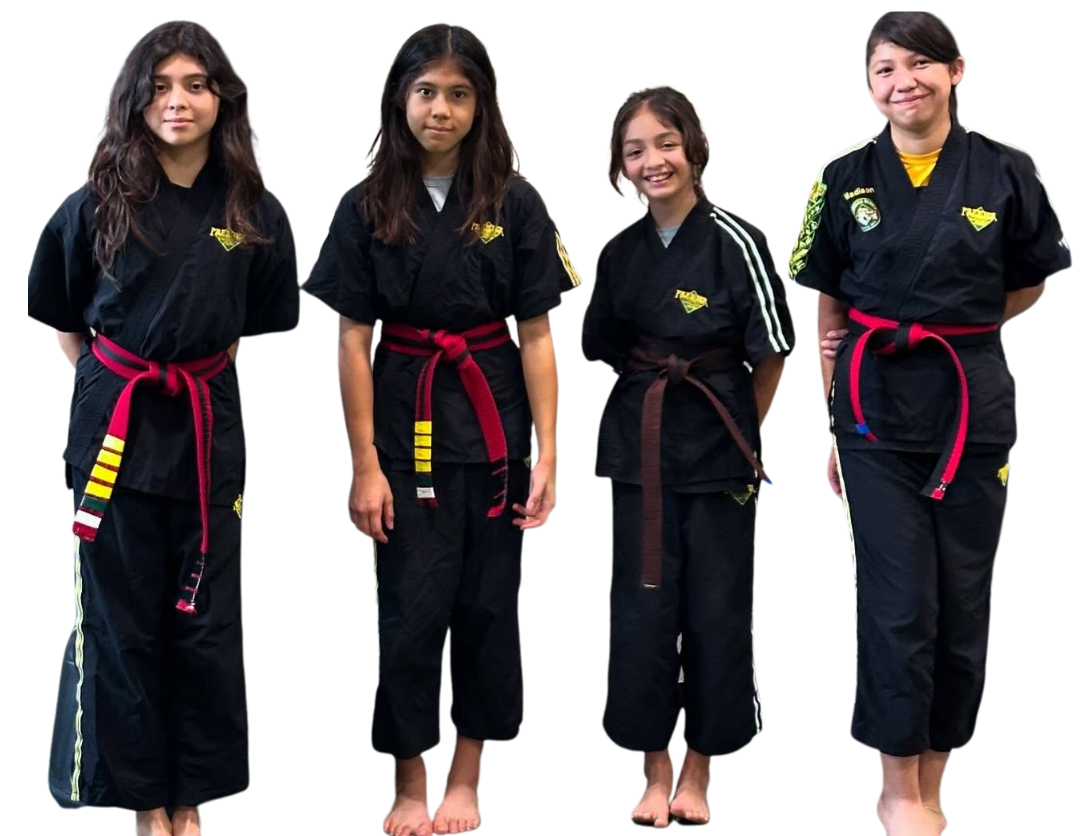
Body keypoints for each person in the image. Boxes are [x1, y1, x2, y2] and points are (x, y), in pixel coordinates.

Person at [788, 11, 1070, 835]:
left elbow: (1033, 280)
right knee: (894, 601)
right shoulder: (841, 176)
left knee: (963, 599)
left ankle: (938, 775)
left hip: (973, 403)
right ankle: (897, 789)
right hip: (874, 414)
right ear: (868, 86)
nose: (902, 81)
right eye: (883, 69)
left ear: (956, 71)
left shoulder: (1009, 169)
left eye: (919, 64)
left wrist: (955, 324)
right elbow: (826, 300)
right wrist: (837, 421)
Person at [301, 23, 581, 836]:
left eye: (460, 94)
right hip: (402, 430)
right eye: (427, 92)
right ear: (400, 99)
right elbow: (353, 342)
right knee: (411, 615)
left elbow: (537, 336)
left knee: (489, 609)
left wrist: (549, 459)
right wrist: (363, 466)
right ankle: (408, 779)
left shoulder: (517, 200)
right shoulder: (364, 205)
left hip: (495, 435)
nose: (442, 109)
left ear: (482, 106)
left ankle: (467, 775)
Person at [28, 19, 299, 836]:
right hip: (114, 435)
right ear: (134, 101)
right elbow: (65, 324)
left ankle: (192, 803)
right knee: (121, 625)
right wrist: (119, 390)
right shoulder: (89, 206)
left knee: (205, 623)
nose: (177, 102)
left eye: (195, 85)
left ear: (223, 98)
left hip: (208, 435)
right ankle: (147, 808)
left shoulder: (256, 209)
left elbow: (246, 326)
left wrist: (183, 386)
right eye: (160, 87)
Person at [582, 84, 794, 829]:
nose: (652, 161)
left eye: (665, 143)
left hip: (720, 455)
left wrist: (739, 434)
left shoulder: (740, 239)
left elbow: (771, 356)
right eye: (634, 150)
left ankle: (700, 768)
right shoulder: (619, 252)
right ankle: (654, 768)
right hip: (638, 456)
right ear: (620, 167)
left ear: (694, 149)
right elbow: (603, 347)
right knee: (641, 611)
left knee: (716, 612)